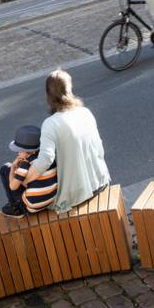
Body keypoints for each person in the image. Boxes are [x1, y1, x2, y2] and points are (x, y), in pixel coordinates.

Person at [25, 70, 110, 213]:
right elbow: (100, 149)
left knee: (23, 195)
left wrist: (25, 180)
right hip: (101, 181)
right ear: (69, 89)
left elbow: (45, 159)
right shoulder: (85, 112)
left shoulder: (50, 124)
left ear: (48, 94)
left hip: (75, 195)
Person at [0, 125, 58, 218]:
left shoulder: (26, 164)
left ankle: (15, 207)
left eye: (20, 151)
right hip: (50, 199)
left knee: (5, 169)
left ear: (31, 152)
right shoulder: (47, 157)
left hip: (32, 206)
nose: (18, 153)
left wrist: (13, 166)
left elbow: (13, 187)